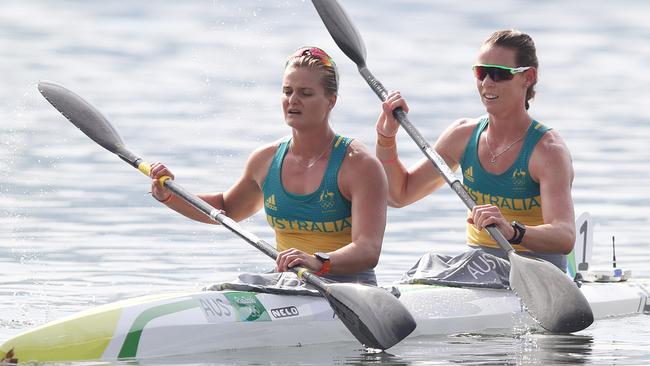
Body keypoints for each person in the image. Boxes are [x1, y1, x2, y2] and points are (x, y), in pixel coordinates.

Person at [149, 47, 387, 285]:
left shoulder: (359, 165)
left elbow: (368, 249)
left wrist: (318, 261)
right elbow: (226, 209)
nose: (293, 100)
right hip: (290, 283)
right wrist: (170, 196)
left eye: (305, 93)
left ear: (330, 101)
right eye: (287, 91)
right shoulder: (265, 161)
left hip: (349, 288)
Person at [375, 29, 575, 270]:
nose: (487, 83)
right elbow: (398, 195)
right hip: (479, 270)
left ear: (528, 77)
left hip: (538, 272)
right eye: (481, 72)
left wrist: (512, 231)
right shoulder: (461, 136)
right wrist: (386, 137)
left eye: (499, 74)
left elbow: (564, 236)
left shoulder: (548, 151)